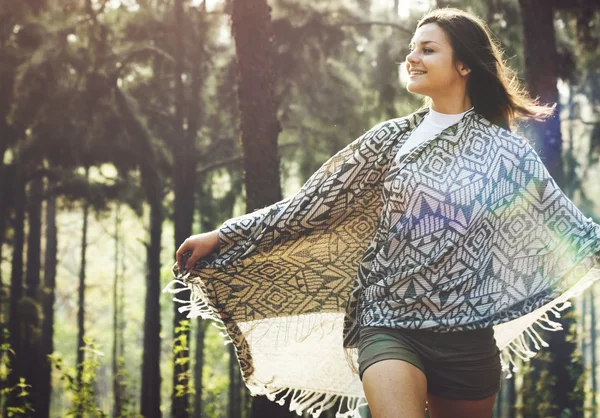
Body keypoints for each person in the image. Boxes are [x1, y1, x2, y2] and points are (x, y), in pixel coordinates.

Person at [173, 8, 600, 418]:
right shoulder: (390, 140)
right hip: (387, 322)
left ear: (465, 65)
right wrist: (226, 235)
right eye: (412, 48)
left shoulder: (506, 152)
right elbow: (310, 206)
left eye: (428, 49)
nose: (411, 58)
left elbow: (567, 226)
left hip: (467, 336)